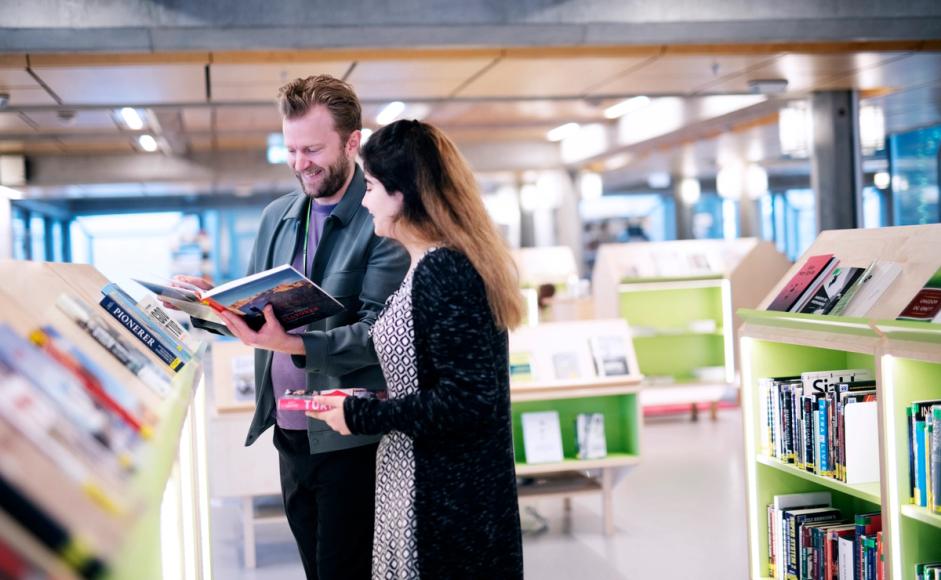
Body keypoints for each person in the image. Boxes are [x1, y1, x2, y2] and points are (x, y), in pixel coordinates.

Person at [175, 75, 409, 580]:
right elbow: (262, 312)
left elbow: (378, 335)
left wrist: (293, 342)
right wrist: (213, 302)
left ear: (353, 142)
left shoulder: (382, 220)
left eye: (313, 149)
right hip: (290, 433)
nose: (299, 163)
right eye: (291, 149)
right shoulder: (277, 217)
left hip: (350, 438)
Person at [308, 119, 525, 579]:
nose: (364, 200)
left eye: (370, 186)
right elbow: (432, 379)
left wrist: (363, 417)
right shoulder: (428, 264)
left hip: (448, 497)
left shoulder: (444, 269)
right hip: (422, 482)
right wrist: (371, 401)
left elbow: (469, 399)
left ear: (401, 194)